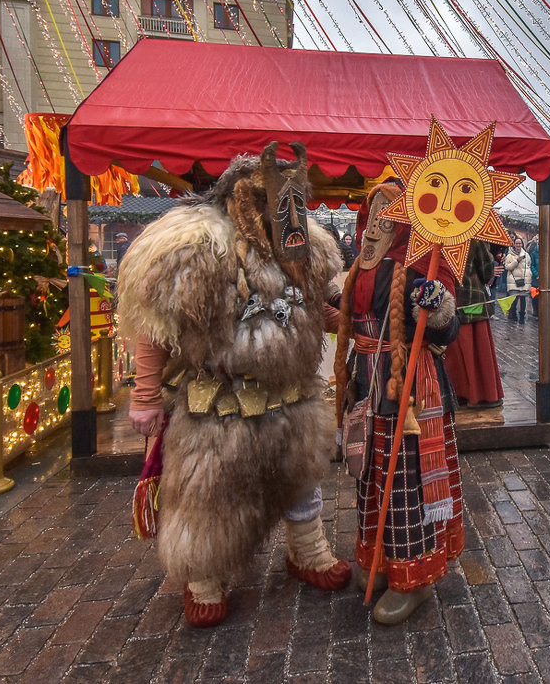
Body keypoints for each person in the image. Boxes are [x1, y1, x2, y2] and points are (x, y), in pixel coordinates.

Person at [121, 144, 351, 628]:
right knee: (211, 491)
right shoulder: (196, 245)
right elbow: (157, 329)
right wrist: (144, 396)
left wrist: (360, 324)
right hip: (219, 403)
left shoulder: (307, 245)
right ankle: (203, 575)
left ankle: (306, 550)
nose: (287, 210)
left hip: (293, 395)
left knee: (300, 479)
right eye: (275, 199)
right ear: (246, 197)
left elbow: (316, 307)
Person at [333, 182, 463, 625]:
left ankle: (416, 580)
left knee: (407, 480)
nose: (375, 228)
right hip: (368, 381)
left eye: (388, 220)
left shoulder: (424, 264)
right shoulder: (359, 267)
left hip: (410, 388)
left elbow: (446, 330)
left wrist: (439, 304)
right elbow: (346, 311)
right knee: (371, 476)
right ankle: (382, 564)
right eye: (372, 219)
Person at [445, 241, 504, 409]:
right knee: (479, 349)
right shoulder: (473, 237)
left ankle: (459, 393)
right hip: (472, 298)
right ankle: (484, 395)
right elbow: (486, 272)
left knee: (454, 349)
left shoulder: (435, 233)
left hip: (448, 298)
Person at [504, 236, 532, 324]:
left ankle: (522, 316)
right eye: (517, 243)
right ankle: (514, 315)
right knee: (514, 299)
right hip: (513, 280)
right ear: (514, 244)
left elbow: (528, 265)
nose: (518, 245)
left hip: (524, 280)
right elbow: (508, 267)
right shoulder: (509, 255)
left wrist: (528, 274)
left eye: (520, 243)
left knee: (523, 299)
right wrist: (516, 261)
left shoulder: (526, 255)